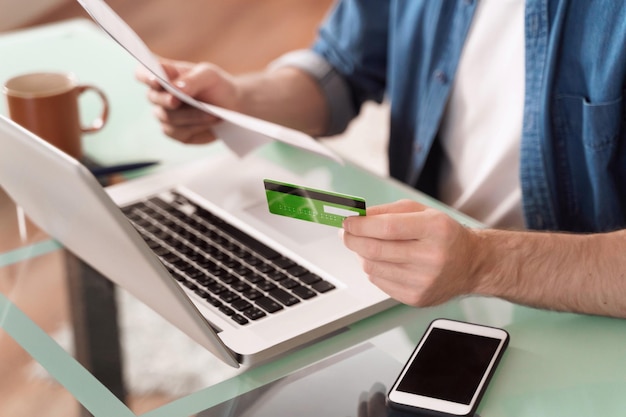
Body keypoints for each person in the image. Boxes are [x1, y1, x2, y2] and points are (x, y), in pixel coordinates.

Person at [136, 0, 626, 318]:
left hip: (574, 304)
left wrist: (483, 262)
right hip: (420, 278)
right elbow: (341, 69)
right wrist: (238, 99)